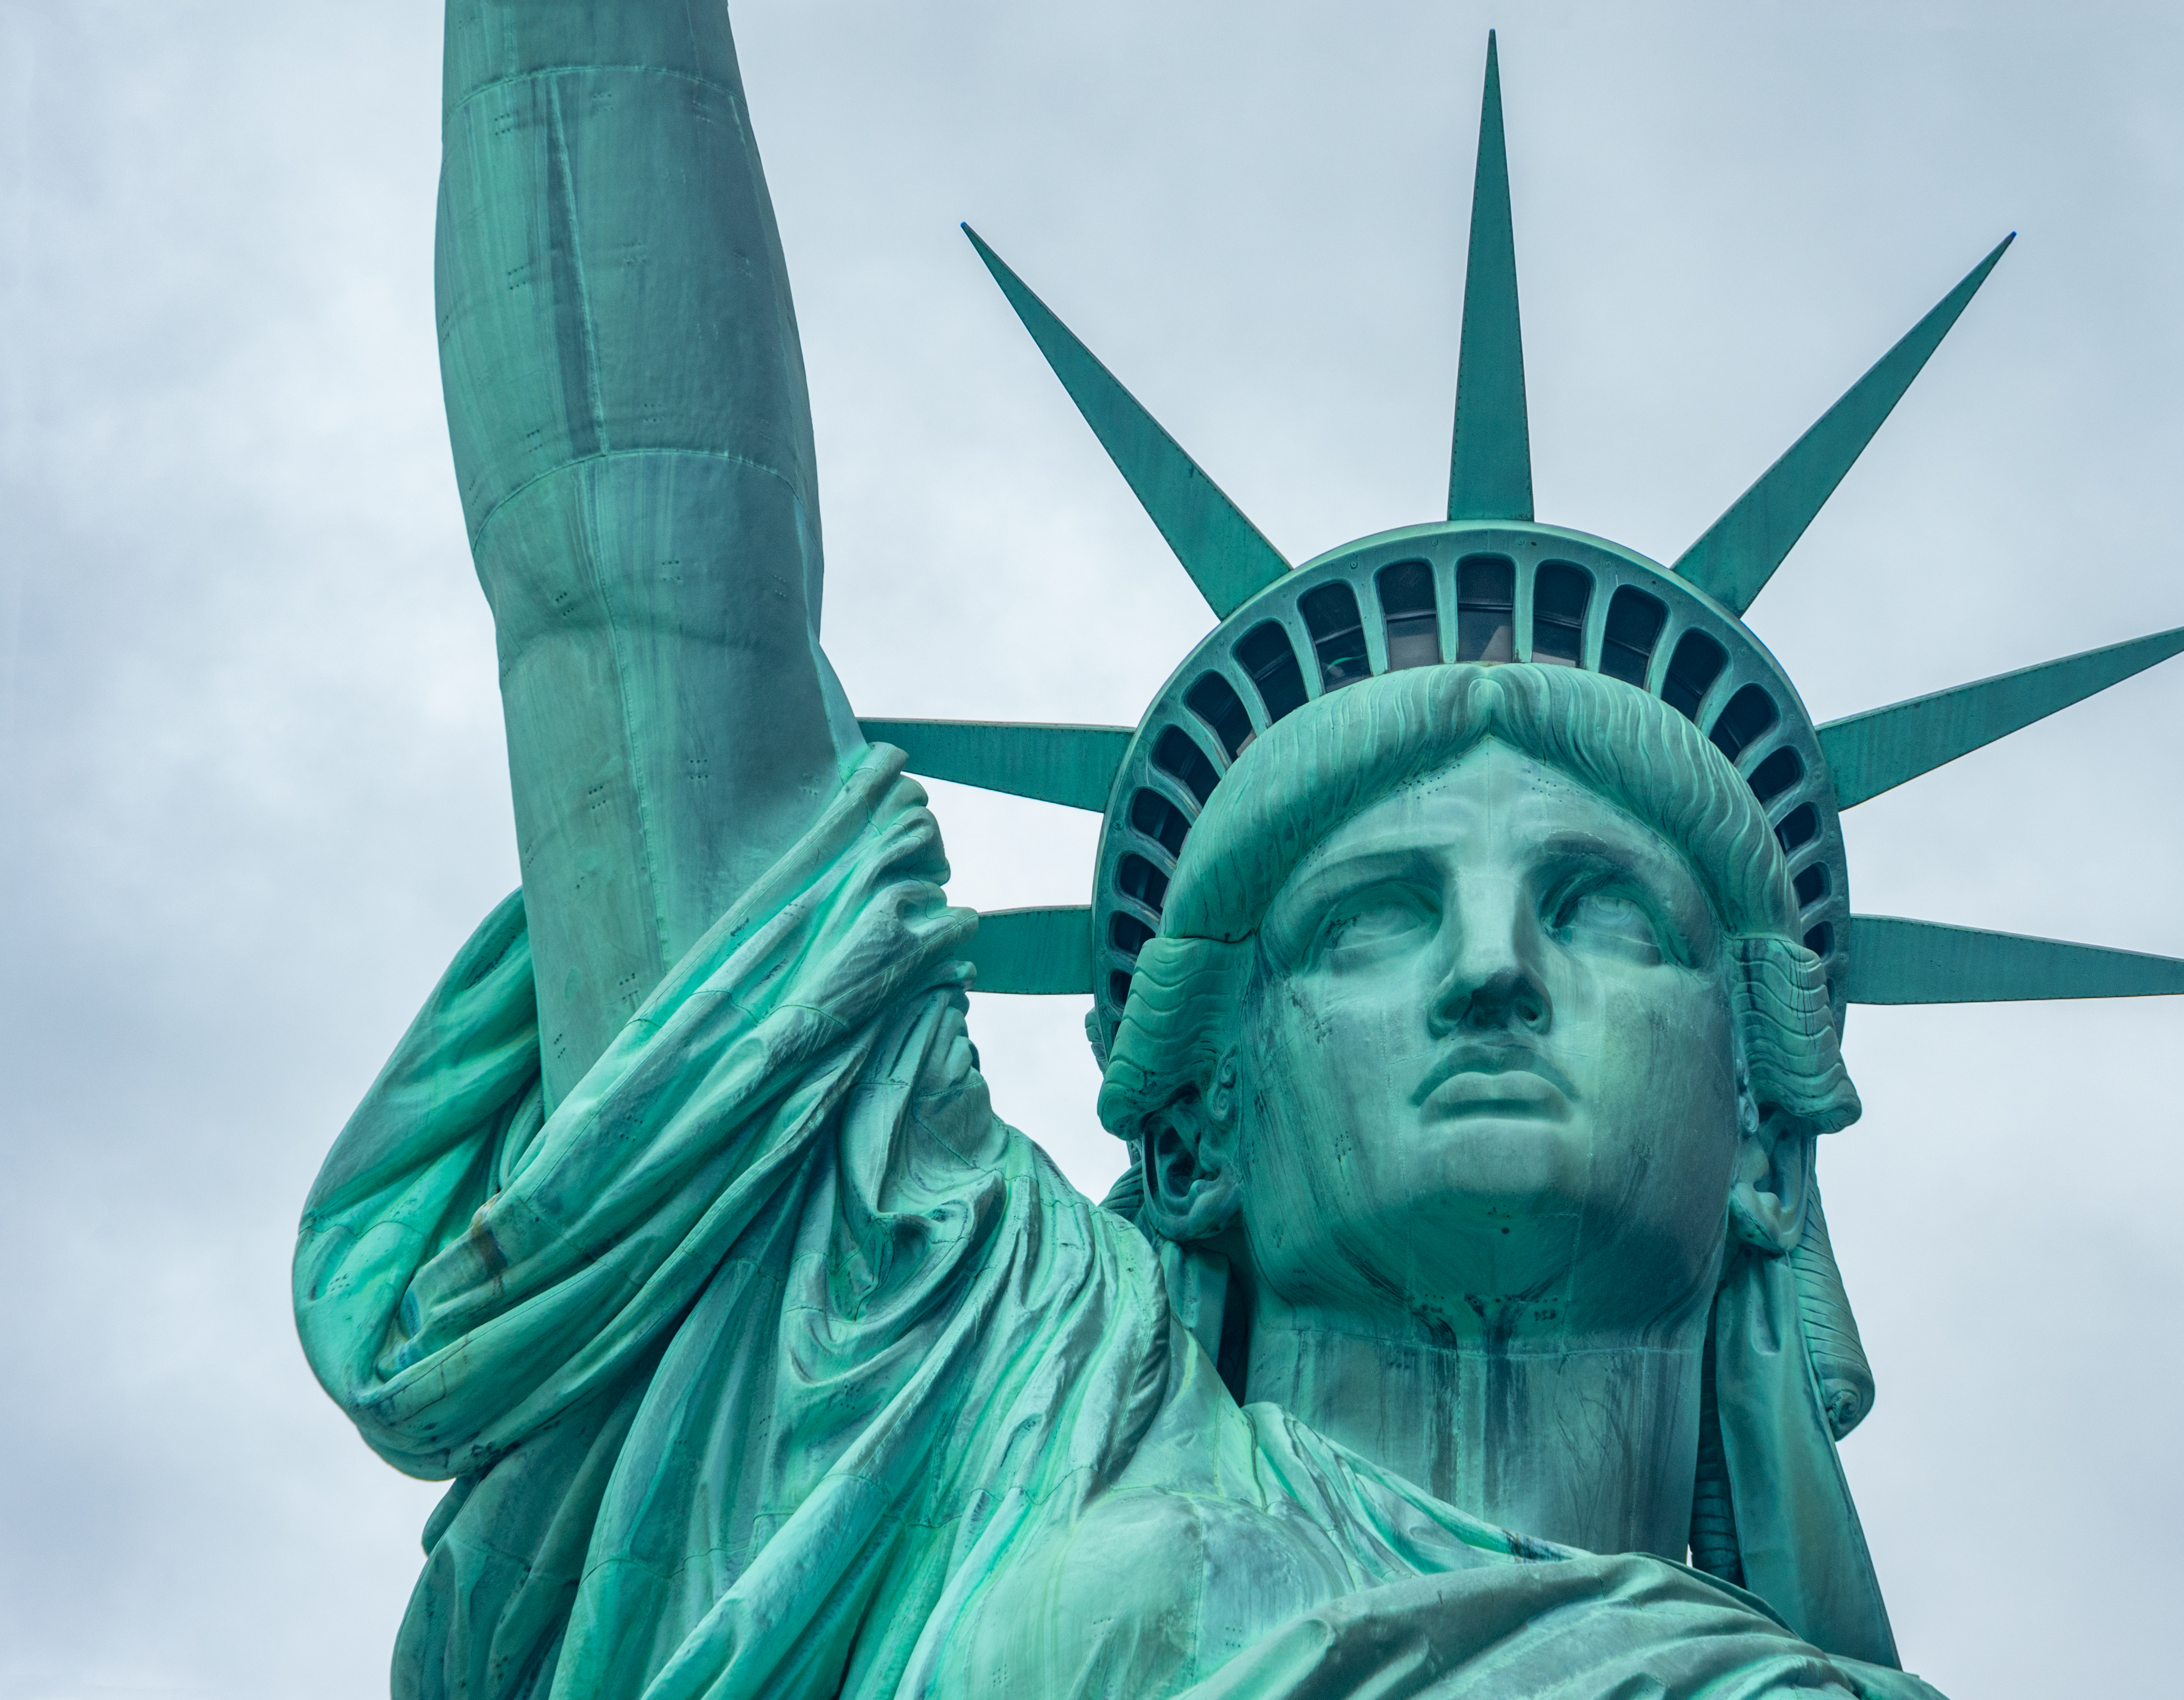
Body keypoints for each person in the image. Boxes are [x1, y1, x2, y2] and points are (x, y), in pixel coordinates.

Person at [296, 5, 1933, 1694]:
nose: (1496, 966)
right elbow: (634, 586)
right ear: (1199, 1120)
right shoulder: (937, 1401)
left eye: (1604, 911)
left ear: (1760, 1131)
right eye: (1371, 918)